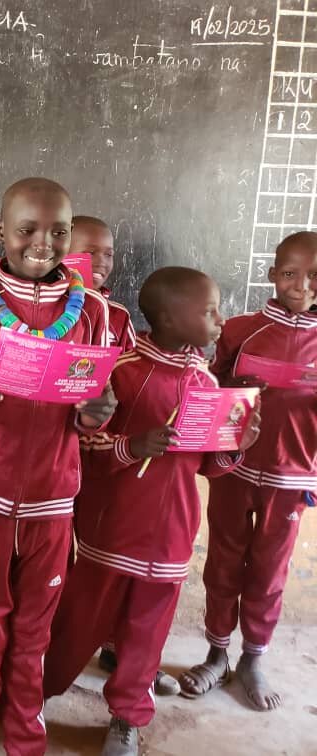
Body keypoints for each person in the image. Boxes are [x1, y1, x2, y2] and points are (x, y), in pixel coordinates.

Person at [0, 178, 116, 755]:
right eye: (27, 230)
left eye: (59, 232)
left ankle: (25, 732)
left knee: (35, 627)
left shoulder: (93, 311)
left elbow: (95, 406)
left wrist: (96, 414)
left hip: (53, 500)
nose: (44, 243)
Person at [43, 267, 261, 756]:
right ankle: (36, 690)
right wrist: (132, 445)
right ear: (167, 317)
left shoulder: (206, 381)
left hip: (171, 536)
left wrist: (237, 444)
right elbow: (83, 449)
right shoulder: (122, 372)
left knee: (148, 632)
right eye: (208, 311)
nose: (220, 320)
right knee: (79, 623)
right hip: (112, 531)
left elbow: (210, 466)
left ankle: (127, 716)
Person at [179, 232, 317, 712]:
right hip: (233, 468)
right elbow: (205, 383)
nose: (302, 286)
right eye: (290, 274)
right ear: (272, 275)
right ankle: (217, 653)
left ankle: (253, 659)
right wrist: (231, 387)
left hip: (292, 476)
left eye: (315, 276)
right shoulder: (239, 329)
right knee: (223, 561)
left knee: (269, 572)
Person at [69, 216, 178, 692]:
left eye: (108, 254)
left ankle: (116, 645)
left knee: (108, 557)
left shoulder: (119, 320)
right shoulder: (49, 311)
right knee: (74, 563)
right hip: (57, 451)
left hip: (105, 451)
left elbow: (129, 389)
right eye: (87, 252)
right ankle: (62, 649)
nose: (100, 263)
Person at [70, 216, 135, 351]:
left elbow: (128, 365)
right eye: (90, 253)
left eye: (108, 255)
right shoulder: (47, 307)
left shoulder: (119, 316)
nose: (101, 262)